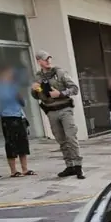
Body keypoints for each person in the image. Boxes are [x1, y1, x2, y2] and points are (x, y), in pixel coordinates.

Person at [30, 50, 84, 179]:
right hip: (51, 111)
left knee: (71, 137)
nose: (48, 61)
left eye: (49, 58)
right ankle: (69, 166)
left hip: (65, 109)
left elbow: (75, 89)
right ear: (39, 61)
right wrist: (34, 90)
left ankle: (78, 166)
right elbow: (36, 96)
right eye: (45, 59)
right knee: (61, 140)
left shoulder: (59, 72)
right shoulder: (38, 77)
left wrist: (60, 93)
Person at [0, 66, 34, 177]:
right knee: (11, 144)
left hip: (19, 117)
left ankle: (25, 169)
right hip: (8, 118)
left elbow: (23, 103)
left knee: (23, 143)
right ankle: (13, 170)